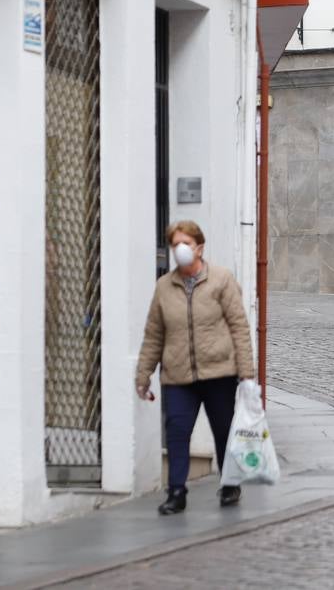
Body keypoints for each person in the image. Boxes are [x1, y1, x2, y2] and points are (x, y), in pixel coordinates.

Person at [136, 220, 256, 514]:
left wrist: (247, 374)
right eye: (175, 243)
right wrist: (143, 375)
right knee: (177, 430)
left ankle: (230, 483)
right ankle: (176, 491)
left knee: (223, 429)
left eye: (186, 243)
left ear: (199, 247)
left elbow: (239, 326)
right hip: (177, 374)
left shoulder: (221, 280)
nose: (180, 249)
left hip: (218, 371)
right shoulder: (164, 287)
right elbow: (154, 334)